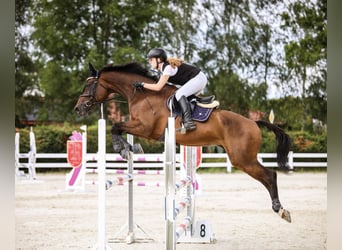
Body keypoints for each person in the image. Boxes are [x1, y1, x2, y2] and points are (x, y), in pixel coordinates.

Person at [134, 48, 208, 131]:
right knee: (180, 97)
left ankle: (188, 122)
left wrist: (143, 84)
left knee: (179, 94)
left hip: (198, 79)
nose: (149, 62)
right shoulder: (165, 69)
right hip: (198, 79)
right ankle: (194, 114)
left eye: (151, 59)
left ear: (158, 59)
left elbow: (158, 87)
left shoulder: (167, 68)